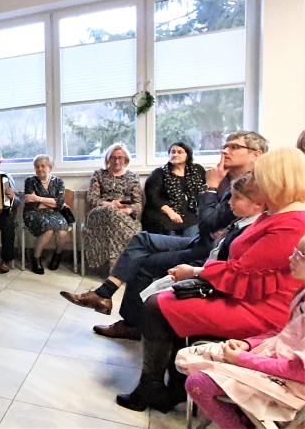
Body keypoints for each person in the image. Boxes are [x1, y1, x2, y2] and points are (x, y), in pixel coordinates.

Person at [116, 148, 305, 413]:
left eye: (260, 177)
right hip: (246, 297)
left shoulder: (292, 223)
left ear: (277, 180)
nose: (255, 182)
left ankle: (152, 388)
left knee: (157, 306)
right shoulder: (276, 213)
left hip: (262, 310)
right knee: (167, 299)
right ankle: (170, 388)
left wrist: (196, 272)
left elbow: (241, 272)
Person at [60, 131, 267, 337]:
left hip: (209, 251)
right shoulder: (225, 177)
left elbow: (208, 223)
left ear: (255, 154)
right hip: (199, 239)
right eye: (225, 146)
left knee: (143, 263)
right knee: (141, 239)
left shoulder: (251, 185)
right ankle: (104, 295)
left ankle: (131, 324)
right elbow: (202, 218)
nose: (225, 151)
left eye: (234, 147)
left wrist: (211, 188)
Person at [175, 234, 305, 427]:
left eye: (299, 256)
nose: (290, 258)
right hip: (270, 357)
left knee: (198, 383)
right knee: (188, 357)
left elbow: (299, 372)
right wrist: (248, 344)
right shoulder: (302, 294)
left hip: (290, 383)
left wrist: (242, 359)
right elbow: (281, 333)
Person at [82, 143, 143, 274]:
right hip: (100, 213)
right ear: (108, 159)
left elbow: (137, 204)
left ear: (125, 159)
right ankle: (120, 271)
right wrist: (111, 205)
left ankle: (114, 267)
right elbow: (92, 198)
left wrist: (127, 210)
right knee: (111, 212)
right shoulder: (99, 175)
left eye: (120, 158)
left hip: (124, 215)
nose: (116, 161)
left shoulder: (132, 177)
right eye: (113, 157)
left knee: (115, 227)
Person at [141, 142, 206, 237]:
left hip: (189, 211)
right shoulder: (160, 173)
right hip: (164, 212)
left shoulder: (197, 171)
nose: (175, 154)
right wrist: (171, 213)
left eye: (179, 152)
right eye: (173, 152)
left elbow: (205, 189)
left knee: (197, 228)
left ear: (188, 155)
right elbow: (153, 198)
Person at [22, 154, 69, 275]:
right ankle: (36, 258)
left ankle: (57, 255)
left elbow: (59, 203)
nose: (40, 169)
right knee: (48, 229)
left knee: (63, 232)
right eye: (37, 166)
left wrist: (38, 198)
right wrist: (53, 203)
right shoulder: (30, 181)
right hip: (33, 213)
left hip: (54, 213)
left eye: (43, 166)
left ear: (50, 167)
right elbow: (32, 204)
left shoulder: (58, 182)